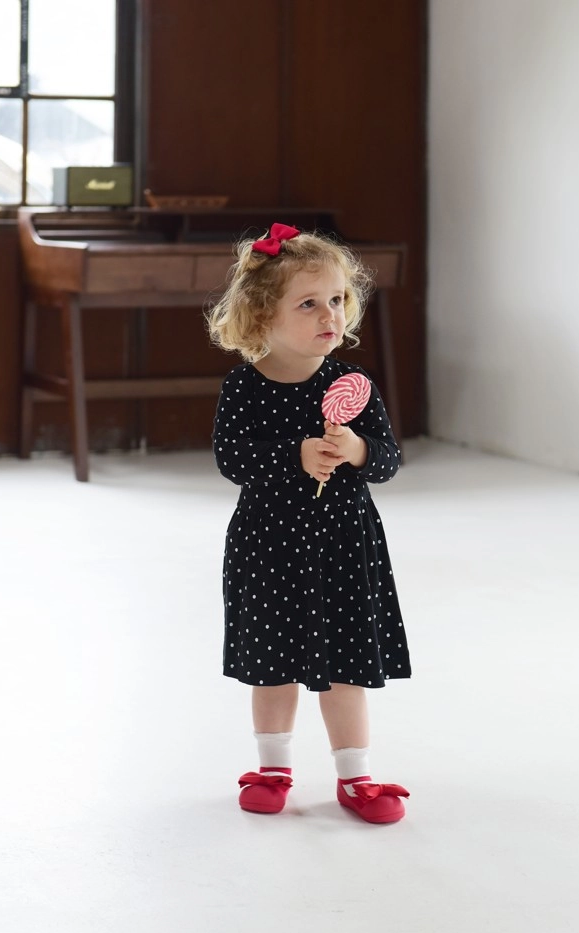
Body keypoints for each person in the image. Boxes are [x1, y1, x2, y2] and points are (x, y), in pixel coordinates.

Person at [208, 223, 411, 824]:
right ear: (261, 316)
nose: (330, 315)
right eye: (308, 304)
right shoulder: (243, 387)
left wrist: (357, 449)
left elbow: (389, 460)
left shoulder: (352, 388)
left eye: (338, 299)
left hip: (343, 545)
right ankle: (273, 768)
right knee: (273, 665)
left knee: (346, 667)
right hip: (269, 546)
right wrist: (293, 454)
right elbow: (231, 458)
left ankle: (355, 776)